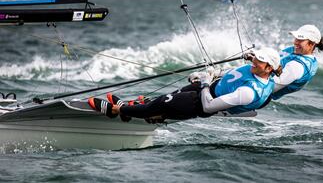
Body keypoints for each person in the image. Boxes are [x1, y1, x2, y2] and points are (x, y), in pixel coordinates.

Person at [88, 48, 282, 122]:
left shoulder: (249, 92)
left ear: (269, 68)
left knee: (160, 104)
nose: (255, 61)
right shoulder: (257, 70)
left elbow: (209, 107)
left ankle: (116, 110)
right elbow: (231, 75)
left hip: (200, 103)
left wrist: (205, 84)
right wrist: (210, 75)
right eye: (256, 58)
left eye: (260, 61)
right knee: (161, 102)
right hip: (204, 89)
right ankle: (139, 112)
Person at [250, 24, 323, 108]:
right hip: (254, 78)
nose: (295, 42)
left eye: (301, 39)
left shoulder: (297, 67)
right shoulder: (297, 49)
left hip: (256, 95)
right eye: (296, 38)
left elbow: (268, 88)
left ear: (311, 44)